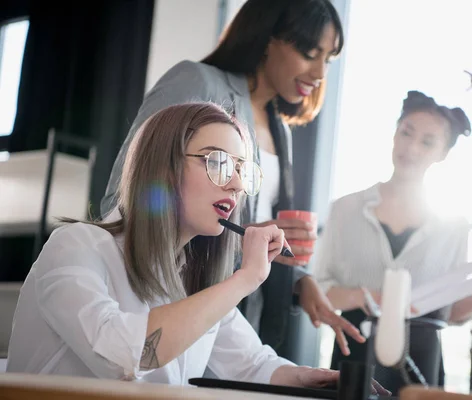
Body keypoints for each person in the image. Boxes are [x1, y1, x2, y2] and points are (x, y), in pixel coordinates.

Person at [6, 103, 388, 395]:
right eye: (219, 163)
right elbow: (126, 356)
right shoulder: (77, 247)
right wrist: (244, 280)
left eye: (243, 169)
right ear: (163, 167)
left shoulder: (195, 278)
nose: (236, 185)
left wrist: (319, 380)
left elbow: (254, 365)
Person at [100, 0, 362, 357]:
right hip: (175, 311)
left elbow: (247, 222)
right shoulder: (196, 81)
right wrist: (242, 236)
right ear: (266, 37)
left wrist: (301, 281)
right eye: (308, 52)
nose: (319, 73)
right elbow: (126, 195)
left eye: (328, 59)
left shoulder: (280, 129)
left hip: (237, 325)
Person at [313, 91, 472, 392]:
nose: (411, 148)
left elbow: (450, 313)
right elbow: (319, 289)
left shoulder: (454, 226)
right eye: (406, 133)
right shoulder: (345, 209)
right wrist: (369, 297)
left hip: (421, 361)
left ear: (442, 153)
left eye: (427, 142)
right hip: (356, 353)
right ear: (395, 134)